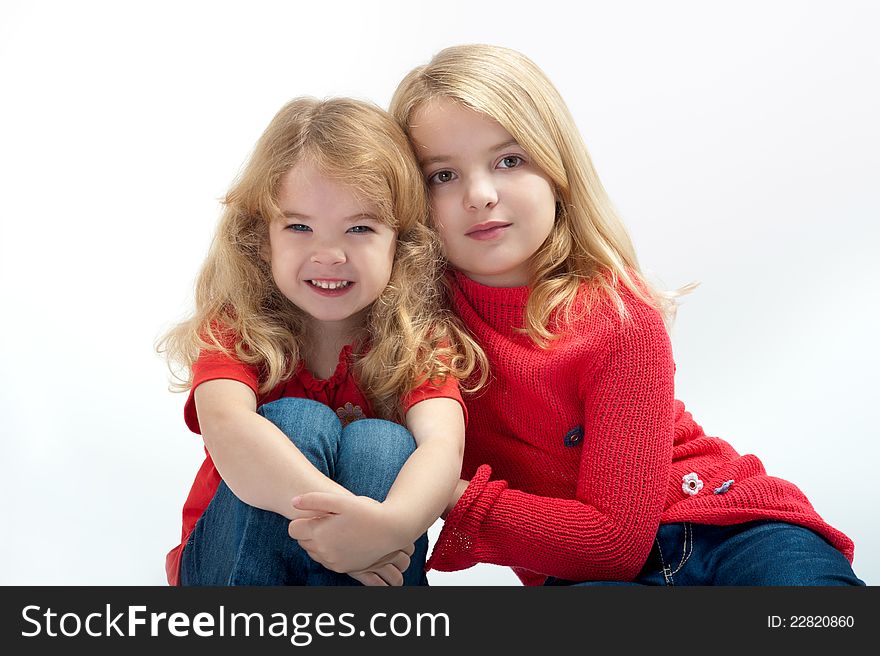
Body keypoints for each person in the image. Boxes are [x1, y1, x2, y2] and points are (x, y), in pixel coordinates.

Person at [389, 44, 863, 586]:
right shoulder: (411, 333)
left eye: (509, 160)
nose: (480, 194)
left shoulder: (617, 316)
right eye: (441, 176)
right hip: (583, 573)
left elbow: (613, 541)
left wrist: (436, 492)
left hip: (728, 530)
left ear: (557, 168)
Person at [158, 97, 485, 586]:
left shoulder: (418, 336)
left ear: (402, 240)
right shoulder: (239, 323)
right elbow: (228, 430)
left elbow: (442, 447)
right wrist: (344, 525)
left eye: (359, 228)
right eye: (299, 227)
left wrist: (386, 528)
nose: (329, 254)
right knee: (296, 421)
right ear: (262, 238)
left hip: (371, 557)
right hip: (230, 568)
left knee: (384, 443)